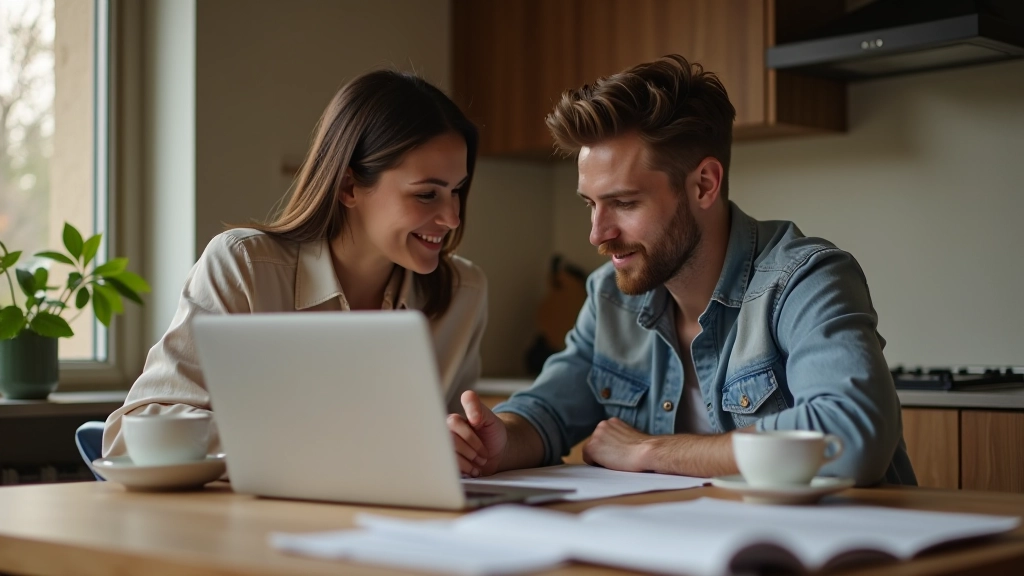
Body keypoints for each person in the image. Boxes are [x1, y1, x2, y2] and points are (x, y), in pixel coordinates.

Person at [447, 55, 916, 486]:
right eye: (591, 205)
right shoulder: (610, 296)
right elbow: (547, 410)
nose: (597, 234)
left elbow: (852, 435)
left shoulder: (804, 280)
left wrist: (653, 451)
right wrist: (500, 440)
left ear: (704, 185)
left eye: (624, 203)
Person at [103, 70, 487, 457]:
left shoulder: (463, 292)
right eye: (426, 195)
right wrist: (332, 441)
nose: (452, 218)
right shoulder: (245, 268)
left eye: (456, 191)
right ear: (348, 187)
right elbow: (128, 436)